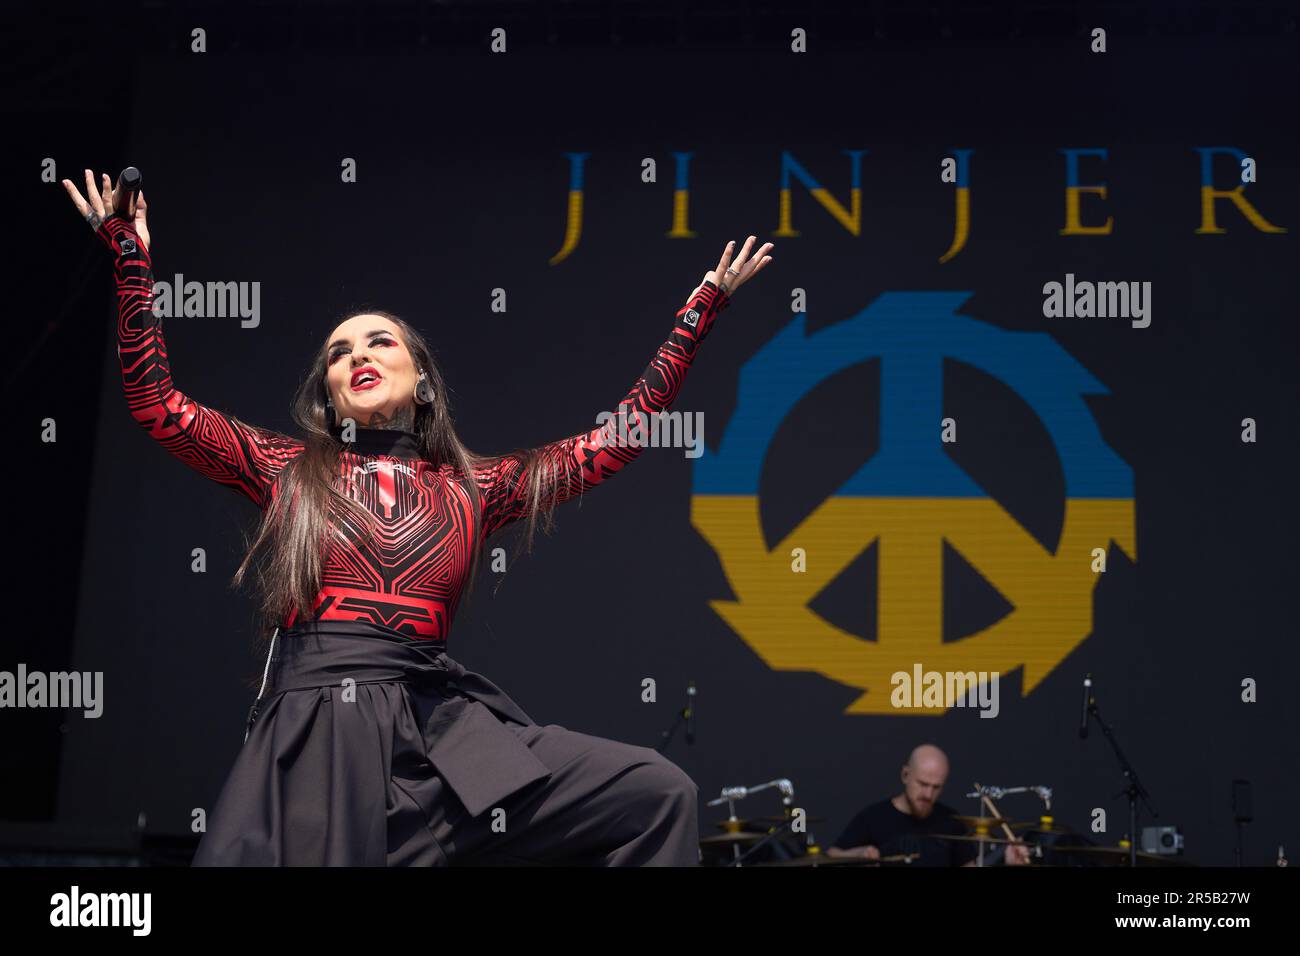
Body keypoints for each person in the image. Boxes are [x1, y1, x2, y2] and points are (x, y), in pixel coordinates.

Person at [62, 169, 774, 866]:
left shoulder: (476, 486)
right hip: (323, 735)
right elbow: (157, 405)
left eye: (379, 342)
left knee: (657, 793)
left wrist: (699, 312)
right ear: (330, 397)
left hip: (439, 730)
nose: (357, 356)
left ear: (422, 379)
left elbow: (614, 440)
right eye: (339, 354)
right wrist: (132, 261)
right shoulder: (287, 469)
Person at [826, 744, 1032, 866]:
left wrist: (1003, 859)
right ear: (905, 775)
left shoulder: (951, 821)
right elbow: (831, 856)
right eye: (923, 784)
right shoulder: (873, 817)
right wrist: (858, 855)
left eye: (936, 787)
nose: (928, 794)